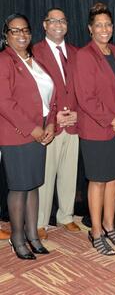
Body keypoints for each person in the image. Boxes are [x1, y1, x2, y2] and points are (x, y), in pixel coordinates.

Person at [73, 3, 115, 256]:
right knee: (97, 180)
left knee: (114, 178)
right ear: (90, 29)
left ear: (113, 27)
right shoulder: (84, 56)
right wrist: (113, 121)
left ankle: (109, 225)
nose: (104, 29)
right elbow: (86, 98)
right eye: (99, 25)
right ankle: (95, 231)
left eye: (108, 24)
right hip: (97, 129)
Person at [0, 14, 56, 259]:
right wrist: (32, 128)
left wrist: (51, 124)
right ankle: (17, 237)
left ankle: (33, 235)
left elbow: (50, 97)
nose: (21, 35)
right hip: (17, 134)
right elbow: (4, 102)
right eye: (15, 31)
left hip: (40, 133)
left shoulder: (35, 61)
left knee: (33, 185)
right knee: (19, 188)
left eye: (25, 30)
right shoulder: (4, 61)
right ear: (6, 36)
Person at [33, 8, 80, 240]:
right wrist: (51, 119)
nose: (58, 25)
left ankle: (66, 216)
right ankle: (41, 221)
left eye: (62, 20)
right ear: (45, 25)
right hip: (49, 125)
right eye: (53, 21)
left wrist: (78, 114)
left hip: (73, 124)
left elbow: (82, 88)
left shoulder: (76, 52)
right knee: (45, 174)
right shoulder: (34, 53)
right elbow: (33, 93)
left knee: (69, 173)